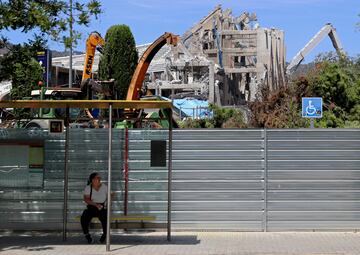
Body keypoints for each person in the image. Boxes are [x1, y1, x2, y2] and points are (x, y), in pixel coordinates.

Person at [81, 172, 108, 244]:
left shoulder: (104, 186)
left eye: (100, 178)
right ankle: (87, 236)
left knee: (105, 218)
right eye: (98, 178)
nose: (99, 179)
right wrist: (96, 204)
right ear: (92, 180)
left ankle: (104, 235)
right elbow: (86, 199)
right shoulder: (88, 187)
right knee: (84, 218)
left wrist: (107, 202)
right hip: (92, 206)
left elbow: (111, 194)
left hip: (102, 206)